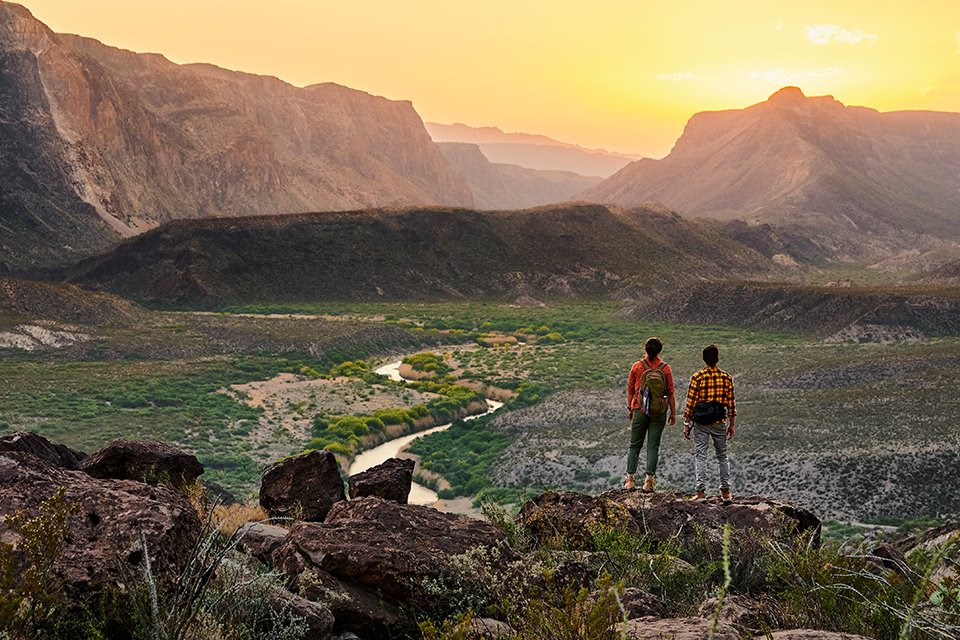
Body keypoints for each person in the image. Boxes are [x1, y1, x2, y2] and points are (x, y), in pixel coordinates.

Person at [683, 343, 737, 501]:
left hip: (701, 424)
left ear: (704, 359)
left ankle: (700, 492)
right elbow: (731, 404)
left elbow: (691, 403)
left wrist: (687, 424)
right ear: (718, 359)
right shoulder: (726, 378)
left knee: (701, 456)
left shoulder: (697, 377)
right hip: (720, 422)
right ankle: (726, 492)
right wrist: (732, 424)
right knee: (722, 456)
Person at [624, 337, 676, 491]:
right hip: (659, 411)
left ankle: (630, 480)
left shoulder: (637, 366)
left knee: (634, 445)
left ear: (645, 349)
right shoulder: (665, 368)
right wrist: (673, 413)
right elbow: (670, 393)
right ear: (660, 350)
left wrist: (630, 408)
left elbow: (630, 390)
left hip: (639, 409)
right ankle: (649, 481)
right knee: (653, 445)